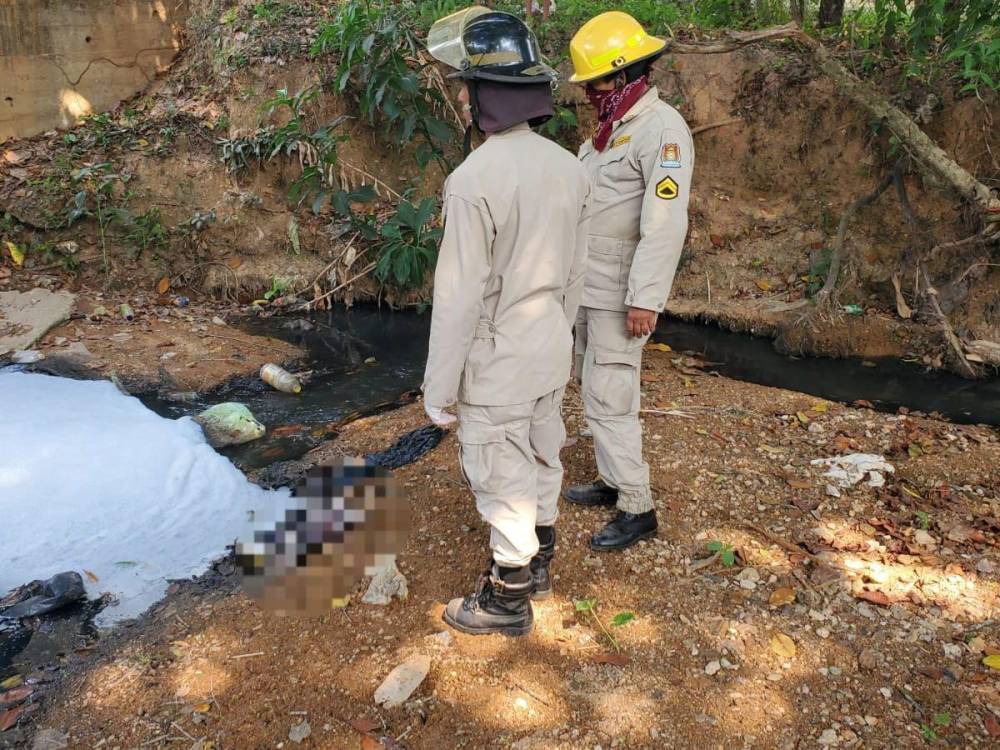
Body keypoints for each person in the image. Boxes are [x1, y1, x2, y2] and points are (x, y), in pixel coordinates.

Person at [422, 7, 591, 636]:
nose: (463, 98)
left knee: (502, 470)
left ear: (482, 96)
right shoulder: (569, 167)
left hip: (497, 360)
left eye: (466, 87)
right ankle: (541, 561)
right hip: (548, 346)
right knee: (544, 452)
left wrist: (438, 390)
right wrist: (563, 346)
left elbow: (459, 298)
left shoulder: (473, 180)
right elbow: (576, 273)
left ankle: (508, 598)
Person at [563, 11, 694, 551]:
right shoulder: (611, 129)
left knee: (610, 395)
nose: (588, 93)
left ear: (622, 76)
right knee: (596, 387)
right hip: (589, 288)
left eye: (593, 82)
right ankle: (613, 480)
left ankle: (638, 506)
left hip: (621, 294)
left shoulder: (662, 131)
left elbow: (664, 223)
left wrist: (646, 299)